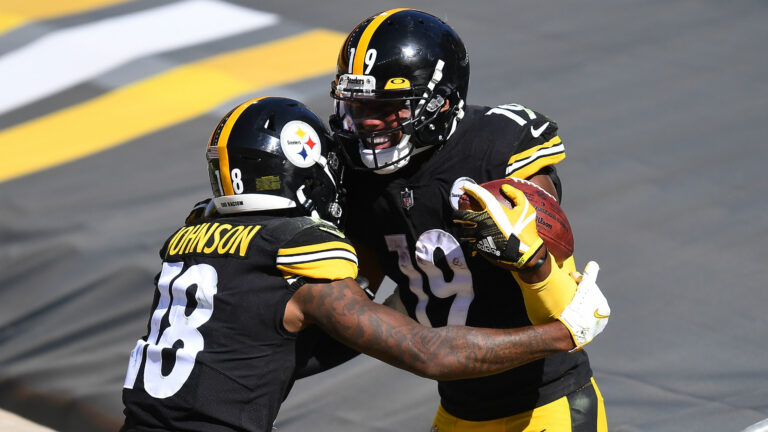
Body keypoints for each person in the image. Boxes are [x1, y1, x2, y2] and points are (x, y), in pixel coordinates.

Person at [121, 96, 609, 432]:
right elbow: (428, 353)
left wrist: (406, 296)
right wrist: (564, 332)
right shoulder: (298, 252)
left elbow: (273, 354)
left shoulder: (189, 238)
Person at [329, 8, 610, 431]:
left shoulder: (496, 149)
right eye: (357, 103)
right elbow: (357, 289)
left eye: (386, 106)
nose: (367, 120)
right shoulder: (357, 176)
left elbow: (568, 309)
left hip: (544, 406)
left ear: (439, 101)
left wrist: (528, 253)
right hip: (457, 408)